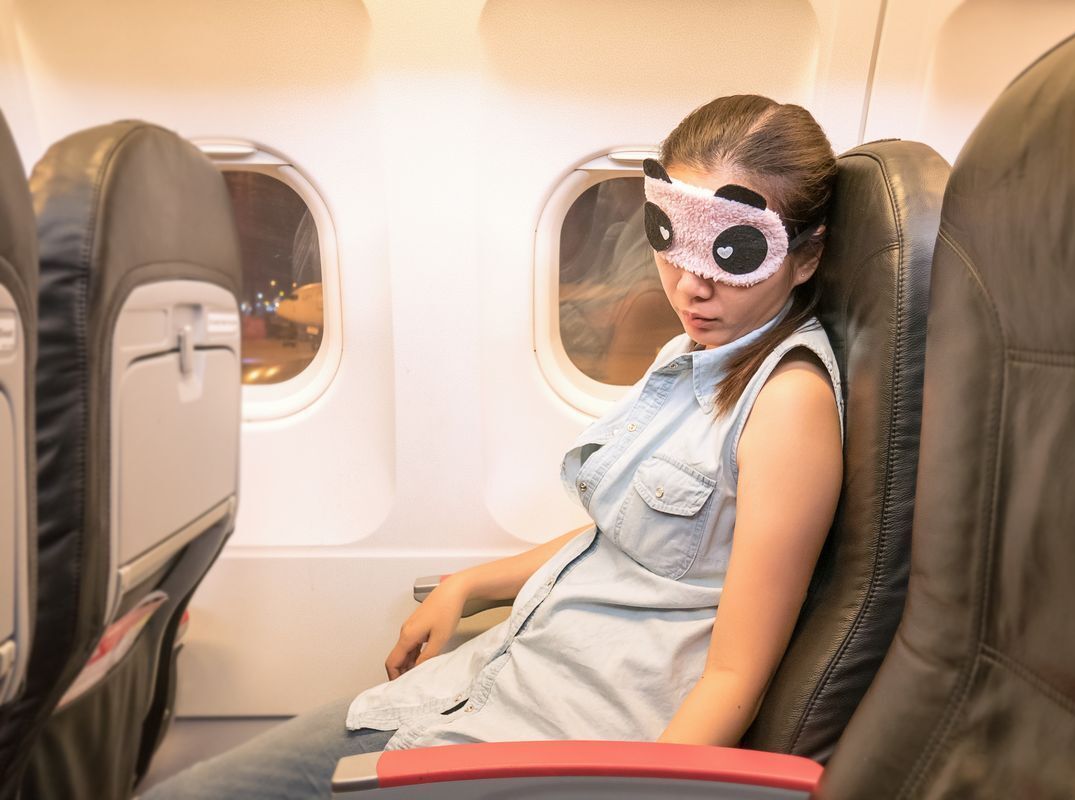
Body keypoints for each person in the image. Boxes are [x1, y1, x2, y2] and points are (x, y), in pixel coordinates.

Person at [142, 93, 843, 799]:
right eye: (674, 245)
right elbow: (632, 537)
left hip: (559, 748)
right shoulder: (694, 352)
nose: (692, 287)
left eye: (732, 256)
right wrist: (471, 583)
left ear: (806, 257)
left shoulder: (789, 405)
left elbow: (732, 681)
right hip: (491, 686)